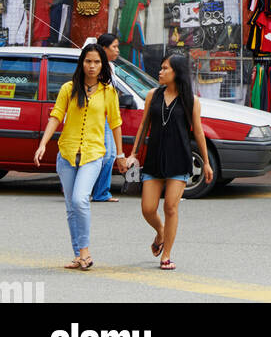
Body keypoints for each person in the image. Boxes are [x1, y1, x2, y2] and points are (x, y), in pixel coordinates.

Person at [33, 43, 130, 270]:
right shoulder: (68, 88)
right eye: (88, 61)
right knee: (70, 207)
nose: (92, 66)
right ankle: (79, 256)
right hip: (66, 153)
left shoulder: (109, 92)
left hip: (93, 154)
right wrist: (42, 144)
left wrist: (120, 155)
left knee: (80, 200)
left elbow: (116, 125)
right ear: (82, 63)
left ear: (102, 65)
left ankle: (85, 251)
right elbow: (56, 116)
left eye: (97, 62)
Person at [130, 54, 213, 270]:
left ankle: (166, 254)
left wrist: (206, 162)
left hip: (179, 158)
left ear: (176, 72)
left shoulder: (191, 100)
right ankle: (160, 231)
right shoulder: (152, 95)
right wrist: (133, 154)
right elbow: (143, 126)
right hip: (155, 157)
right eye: (161, 67)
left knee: (170, 206)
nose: (160, 71)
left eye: (165, 68)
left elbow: (199, 132)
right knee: (148, 208)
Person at [90, 32, 123, 203]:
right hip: (100, 118)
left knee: (108, 155)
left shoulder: (111, 67)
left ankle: (100, 191)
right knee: (107, 154)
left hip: (109, 117)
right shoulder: (98, 69)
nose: (118, 50)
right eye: (114, 47)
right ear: (103, 48)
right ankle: (98, 191)